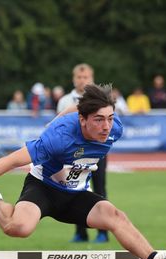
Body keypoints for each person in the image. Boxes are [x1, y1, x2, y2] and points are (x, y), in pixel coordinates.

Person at [0, 84, 166, 259]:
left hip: (75, 195)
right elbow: (13, 159)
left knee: (114, 214)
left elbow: (78, 107)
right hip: (43, 188)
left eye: (110, 118)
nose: (106, 127)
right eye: (99, 120)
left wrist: (68, 114)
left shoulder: (114, 129)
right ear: (82, 121)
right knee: (19, 228)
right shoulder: (58, 138)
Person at [56, 63, 108, 243]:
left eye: (86, 77)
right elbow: (59, 127)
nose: (82, 80)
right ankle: (81, 233)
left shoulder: (102, 98)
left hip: (97, 150)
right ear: (73, 79)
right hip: (74, 153)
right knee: (75, 190)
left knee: (99, 189)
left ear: (92, 79)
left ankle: (103, 232)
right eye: (79, 77)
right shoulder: (65, 101)